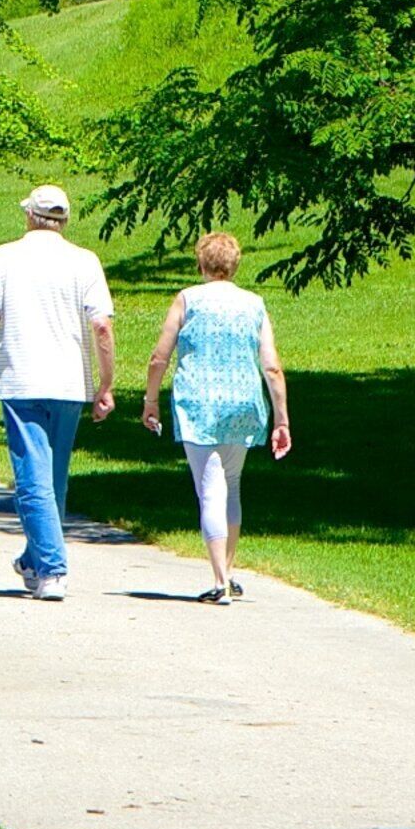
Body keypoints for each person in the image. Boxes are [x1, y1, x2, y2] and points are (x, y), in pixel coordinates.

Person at [0, 185, 115, 599]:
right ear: (63, 220)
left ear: (30, 215)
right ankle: (34, 559)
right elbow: (101, 326)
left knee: (33, 477)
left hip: (21, 378)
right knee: (53, 477)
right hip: (68, 382)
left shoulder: (5, 256)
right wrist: (105, 383)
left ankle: (52, 568)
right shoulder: (85, 261)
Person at [141, 230, 290, 605]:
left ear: (201, 263)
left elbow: (159, 356)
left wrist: (151, 399)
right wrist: (281, 419)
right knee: (231, 486)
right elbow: (272, 367)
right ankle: (228, 570)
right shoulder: (254, 303)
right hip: (243, 403)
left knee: (209, 489)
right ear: (235, 264)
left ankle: (220, 580)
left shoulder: (188, 299)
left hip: (199, 404)